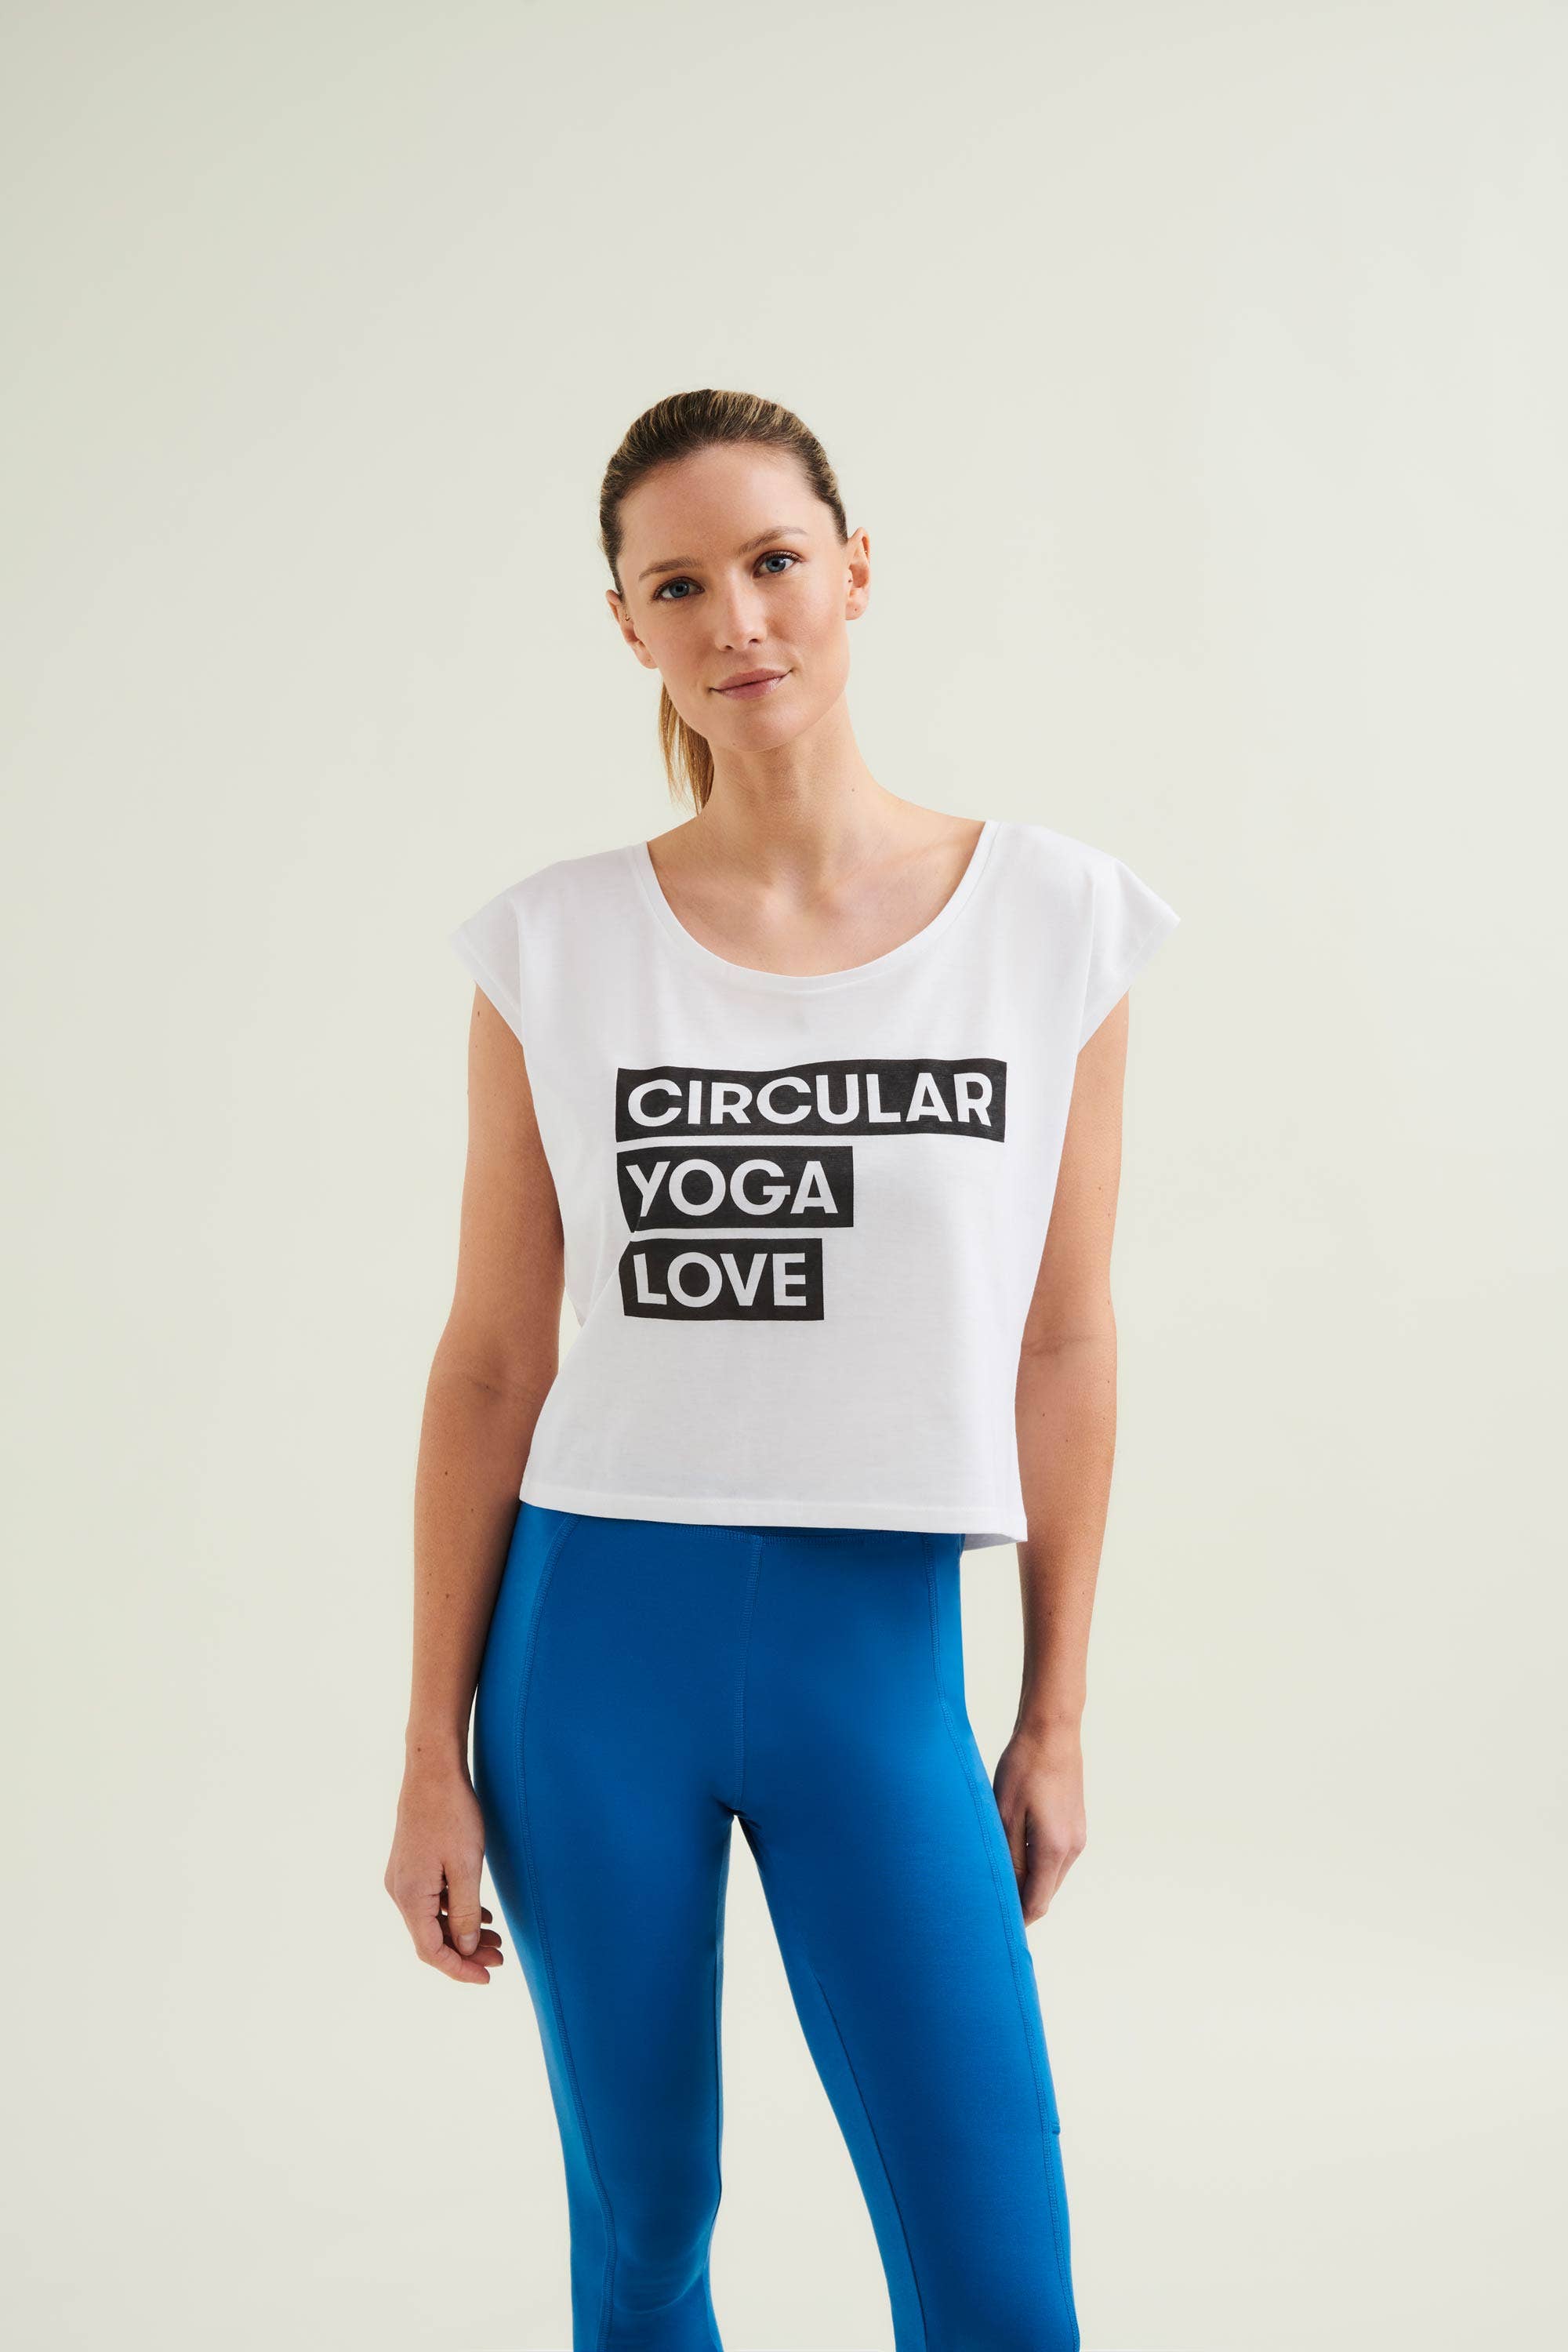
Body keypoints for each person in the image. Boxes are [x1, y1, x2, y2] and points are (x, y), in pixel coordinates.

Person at [384, 387, 1180, 2352]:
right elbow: (492, 1362)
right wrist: (426, 1754)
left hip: (877, 1658)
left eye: (771, 562)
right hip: (590, 1648)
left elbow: (1064, 1337)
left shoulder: (1051, 921)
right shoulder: (554, 948)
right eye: (678, 585)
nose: (736, 618)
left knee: (994, 2264)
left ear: (854, 571)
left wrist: (1053, 1710)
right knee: (647, 2219)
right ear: (627, 625)